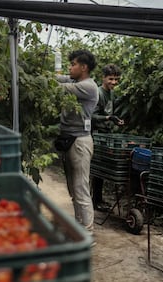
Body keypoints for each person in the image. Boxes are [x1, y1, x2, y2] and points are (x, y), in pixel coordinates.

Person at [56, 50, 99, 233]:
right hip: (69, 138)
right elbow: (56, 79)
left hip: (80, 142)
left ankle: (87, 232)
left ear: (84, 67)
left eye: (73, 64)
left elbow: (56, 87)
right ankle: (78, 227)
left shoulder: (88, 86)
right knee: (73, 189)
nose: (70, 67)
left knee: (80, 188)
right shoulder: (75, 81)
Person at [91, 63, 124, 211]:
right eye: (111, 79)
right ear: (103, 78)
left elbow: (108, 113)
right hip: (96, 135)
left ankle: (98, 199)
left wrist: (114, 119)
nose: (114, 82)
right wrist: (109, 118)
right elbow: (91, 116)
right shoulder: (97, 93)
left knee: (102, 167)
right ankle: (95, 200)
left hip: (106, 134)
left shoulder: (111, 93)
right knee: (98, 168)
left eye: (116, 79)